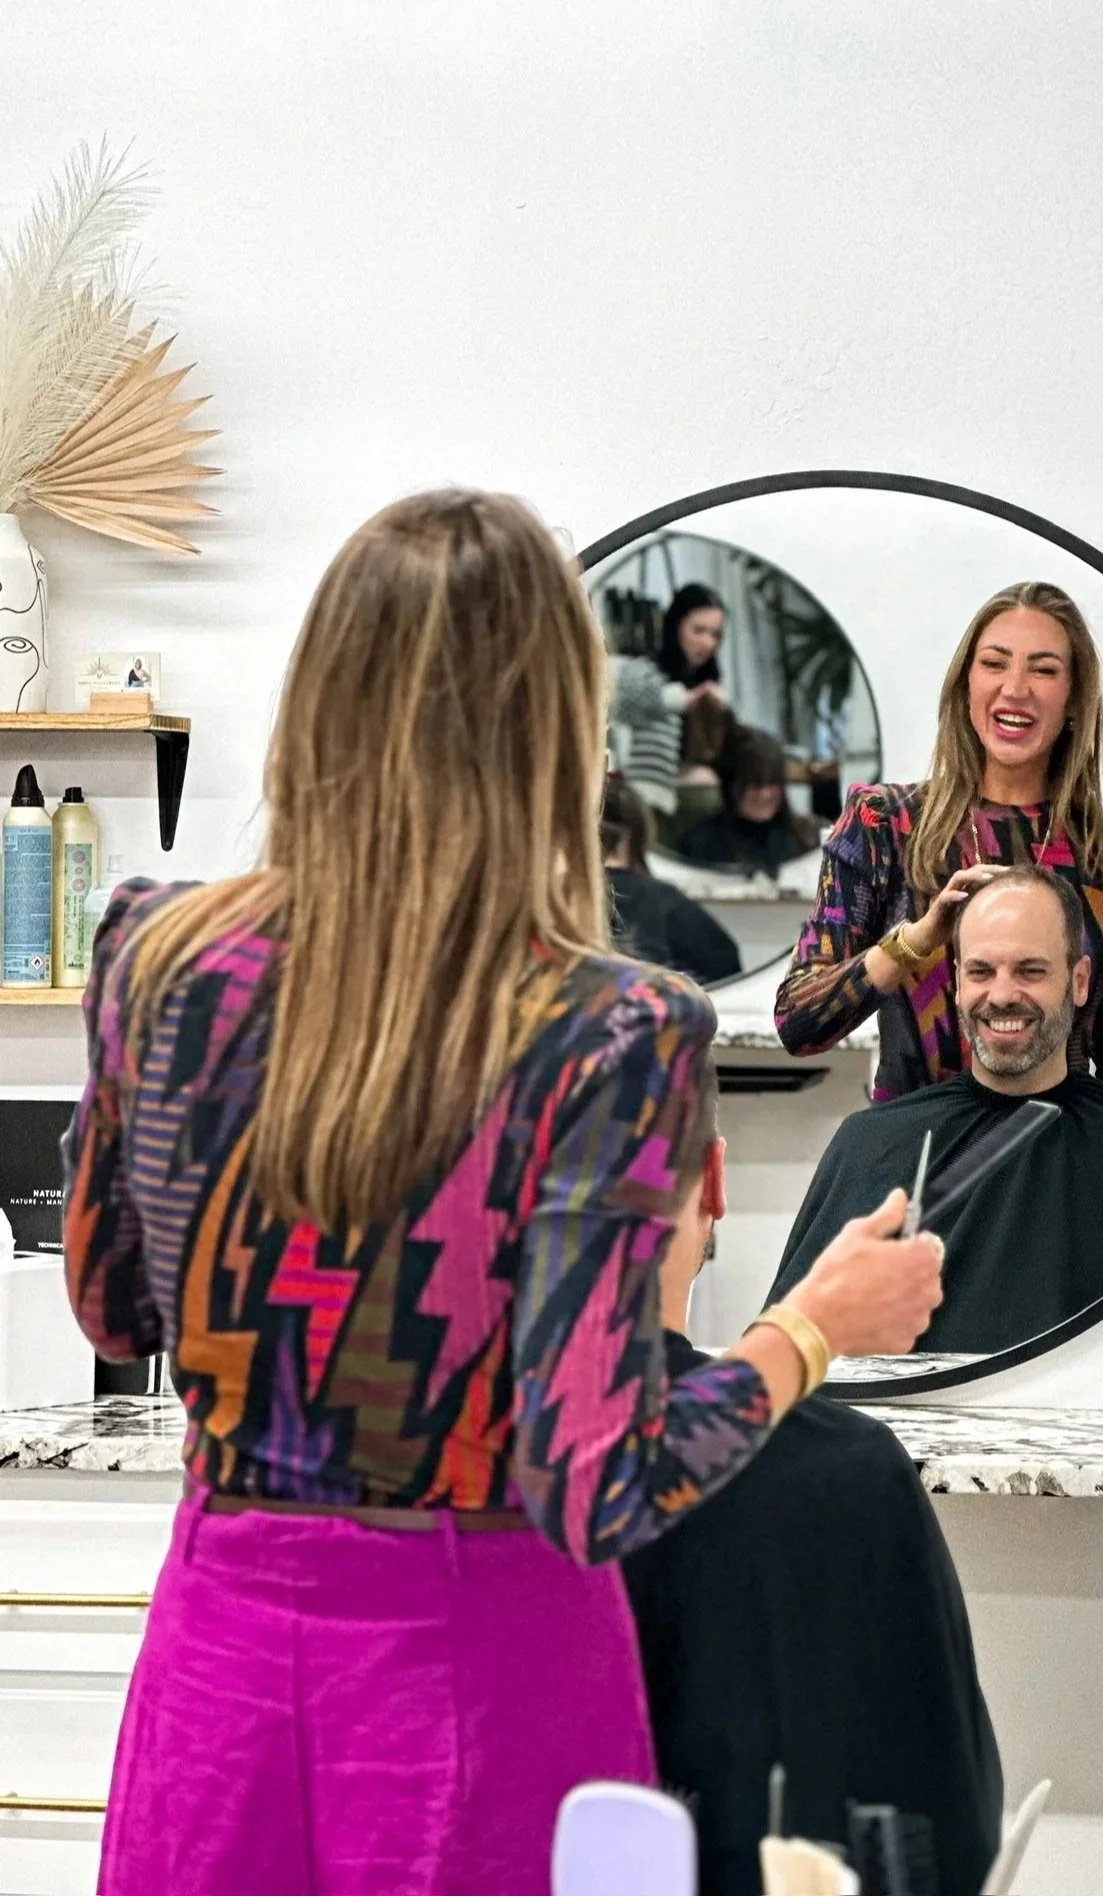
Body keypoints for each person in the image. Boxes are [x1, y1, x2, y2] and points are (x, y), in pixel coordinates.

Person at [61, 490, 945, 1896]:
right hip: (477, 1675)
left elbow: (114, 1305)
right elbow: (595, 1479)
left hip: (222, 1654)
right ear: (553, 728)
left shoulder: (157, 955)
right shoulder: (606, 1029)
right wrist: (815, 1327)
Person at [622, 1057, 1004, 1896]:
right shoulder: (848, 1472)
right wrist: (811, 1328)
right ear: (712, 1181)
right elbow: (951, 1838)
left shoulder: (437, 1482)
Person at [774, 581, 1103, 1100]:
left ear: (1074, 698)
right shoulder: (885, 827)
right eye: (995, 663)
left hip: (1061, 1156)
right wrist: (915, 941)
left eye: (1044, 669)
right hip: (914, 1157)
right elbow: (800, 1023)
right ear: (965, 685)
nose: (1016, 688)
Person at [766, 868, 1103, 1353]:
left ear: (1079, 981)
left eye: (1030, 970)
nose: (1002, 995)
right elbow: (786, 1364)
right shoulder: (871, 1145)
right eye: (981, 971)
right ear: (957, 983)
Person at [608, 582, 732, 836]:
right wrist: (688, 700)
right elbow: (629, 703)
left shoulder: (706, 683)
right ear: (676, 625)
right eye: (698, 630)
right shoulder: (644, 673)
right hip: (644, 802)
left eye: (715, 634)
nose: (707, 642)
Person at [603, 770, 743, 984]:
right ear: (637, 835)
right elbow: (726, 966)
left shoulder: (556, 899)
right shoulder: (661, 900)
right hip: (645, 1012)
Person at [677, 726, 821, 876]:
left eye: (773, 782)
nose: (765, 794)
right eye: (755, 785)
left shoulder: (808, 838)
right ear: (732, 785)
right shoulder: (699, 842)